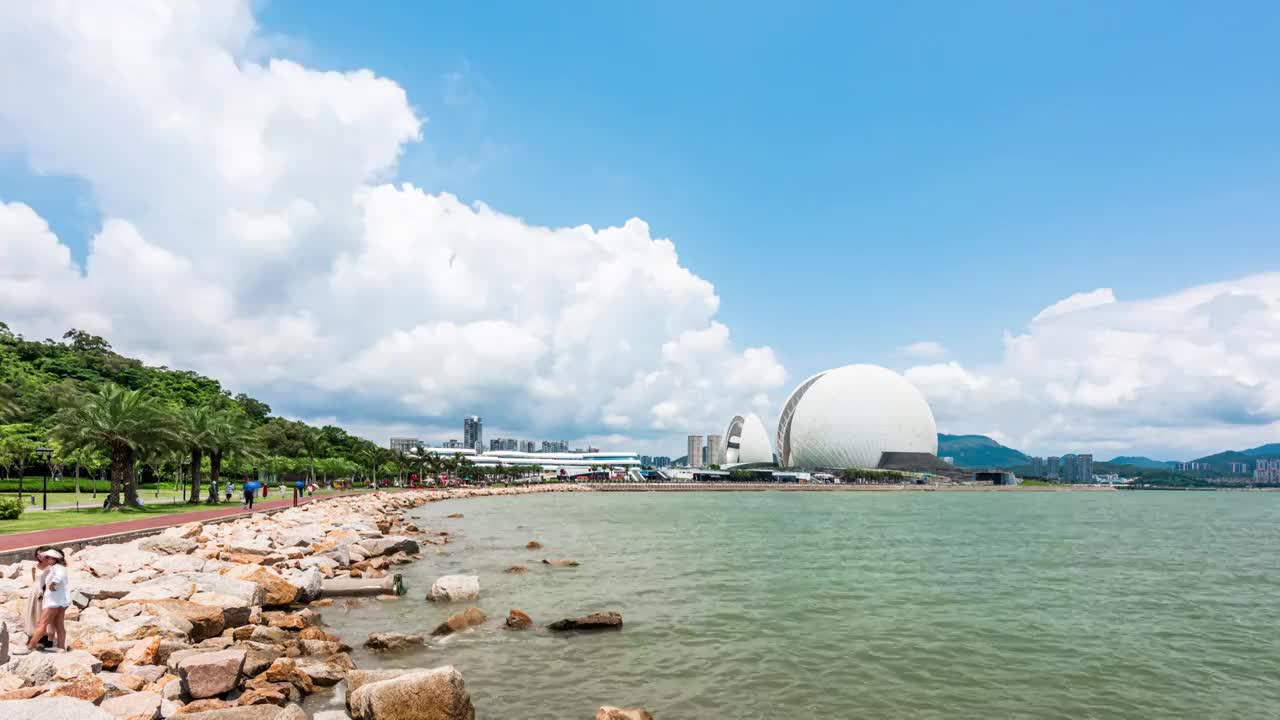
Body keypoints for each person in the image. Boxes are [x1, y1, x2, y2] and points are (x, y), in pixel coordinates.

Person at [27, 549, 69, 652]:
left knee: (42, 624)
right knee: (59, 625)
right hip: (60, 601)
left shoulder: (57, 568)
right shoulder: (58, 567)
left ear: (54, 559)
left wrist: (52, 584)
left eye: (48, 557)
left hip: (53, 602)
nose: (46, 559)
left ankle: (29, 647)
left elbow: (59, 577)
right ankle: (60, 648)